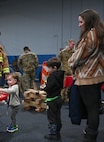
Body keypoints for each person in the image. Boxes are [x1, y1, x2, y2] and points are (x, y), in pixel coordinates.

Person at [68, 9, 104, 142]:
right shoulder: (101, 34)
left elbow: (78, 58)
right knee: (94, 107)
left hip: (87, 78)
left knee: (91, 109)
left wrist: (70, 62)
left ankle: (90, 136)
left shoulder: (90, 35)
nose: (79, 25)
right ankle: (91, 131)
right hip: (98, 76)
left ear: (88, 22)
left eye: (81, 22)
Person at [41, 57, 64, 140]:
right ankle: (57, 131)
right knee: (58, 116)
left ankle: (52, 134)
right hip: (58, 97)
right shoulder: (61, 75)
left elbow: (49, 87)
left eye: (49, 68)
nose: (48, 70)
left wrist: (44, 88)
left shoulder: (52, 76)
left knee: (51, 117)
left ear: (54, 68)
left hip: (51, 100)